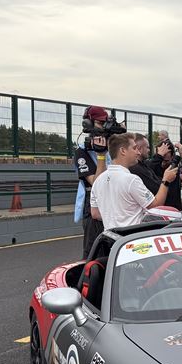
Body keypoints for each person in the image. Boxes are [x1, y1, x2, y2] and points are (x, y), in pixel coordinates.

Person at [90, 133, 179, 229]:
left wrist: (116, 218)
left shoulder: (98, 181)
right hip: (132, 237)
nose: (138, 152)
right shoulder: (131, 180)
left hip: (111, 238)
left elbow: (95, 213)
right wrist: (166, 180)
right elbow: (155, 205)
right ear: (123, 151)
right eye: (134, 148)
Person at [74, 105, 117, 258]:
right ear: (89, 124)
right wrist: (100, 155)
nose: (103, 127)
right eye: (100, 123)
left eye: (105, 123)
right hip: (93, 204)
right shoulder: (82, 151)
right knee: (93, 250)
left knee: (113, 248)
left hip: (113, 201)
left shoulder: (111, 146)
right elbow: (96, 183)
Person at [149, 136, 182, 212]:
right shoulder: (153, 165)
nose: (163, 163)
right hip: (157, 210)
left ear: (172, 157)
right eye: (161, 159)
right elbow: (149, 167)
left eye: (166, 160)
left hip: (174, 209)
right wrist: (159, 156)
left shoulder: (174, 168)